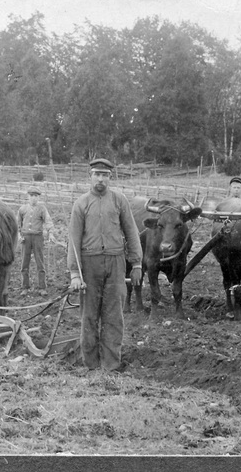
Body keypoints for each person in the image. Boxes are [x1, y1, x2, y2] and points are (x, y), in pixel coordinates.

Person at [67, 158, 143, 372]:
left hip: (116, 263)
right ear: (90, 176)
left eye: (105, 175)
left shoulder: (120, 201)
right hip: (89, 265)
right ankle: (90, 364)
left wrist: (136, 263)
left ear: (110, 177)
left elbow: (131, 232)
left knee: (113, 315)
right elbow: (73, 239)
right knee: (89, 315)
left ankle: (111, 364)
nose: (100, 179)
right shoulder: (81, 204)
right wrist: (74, 273)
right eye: (97, 174)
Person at [17, 188, 52, 292]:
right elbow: (17, 224)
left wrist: (50, 232)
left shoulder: (42, 209)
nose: (33, 198)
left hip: (38, 237)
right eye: (31, 196)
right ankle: (25, 287)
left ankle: (42, 287)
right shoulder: (22, 209)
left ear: (39, 197)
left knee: (40, 262)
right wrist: (19, 236)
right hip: (25, 238)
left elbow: (48, 221)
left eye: (36, 196)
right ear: (28, 196)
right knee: (24, 263)